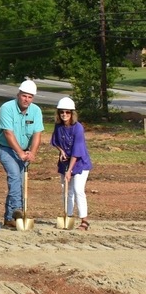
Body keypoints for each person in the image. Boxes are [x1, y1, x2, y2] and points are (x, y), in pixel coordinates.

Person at [0, 80, 43, 228]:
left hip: (25, 150)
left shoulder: (36, 111)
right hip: (5, 148)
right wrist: (20, 153)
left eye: (30, 97)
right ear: (18, 94)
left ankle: (10, 218)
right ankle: (18, 210)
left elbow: (37, 134)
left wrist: (32, 152)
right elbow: (8, 134)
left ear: (32, 98)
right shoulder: (7, 108)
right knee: (15, 176)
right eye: (24, 96)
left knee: (20, 182)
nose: (26, 99)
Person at [50, 97, 92, 231]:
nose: (64, 115)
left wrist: (70, 171)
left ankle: (84, 220)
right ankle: (68, 216)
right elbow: (55, 141)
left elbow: (77, 151)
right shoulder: (58, 126)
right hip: (65, 162)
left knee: (78, 190)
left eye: (67, 112)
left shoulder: (78, 128)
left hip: (79, 163)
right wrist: (61, 151)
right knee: (66, 191)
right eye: (62, 112)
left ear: (72, 113)